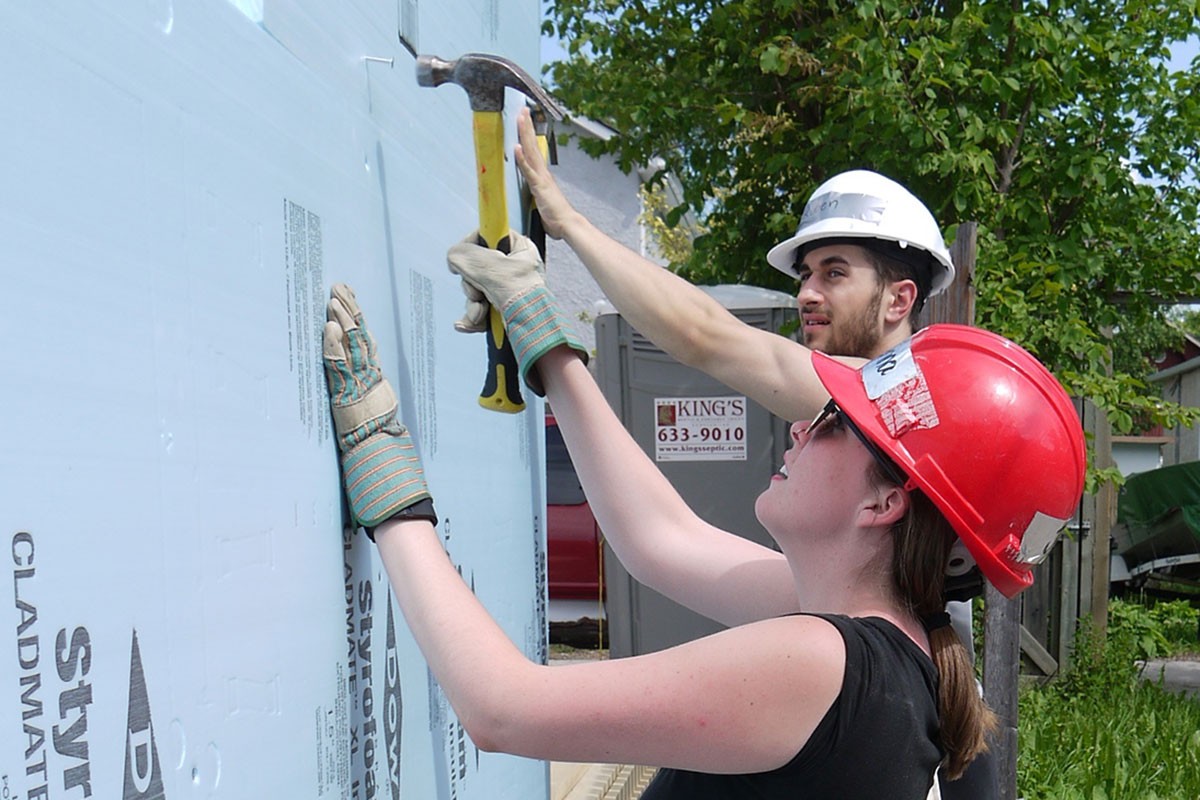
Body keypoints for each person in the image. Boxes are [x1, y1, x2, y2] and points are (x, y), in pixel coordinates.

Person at [321, 248, 1085, 797]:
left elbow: (502, 709)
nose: (797, 431)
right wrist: (549, 347)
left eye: (830, 425)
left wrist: (388, 481)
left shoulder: (826, 662)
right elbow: (660, 541)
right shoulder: (892, 650)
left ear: (884, 503)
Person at [507, 107, 996, 794]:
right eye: (806, 275)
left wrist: (567, 221)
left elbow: (708, 335)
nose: (807, 295)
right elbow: (661, 539)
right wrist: (549, 349)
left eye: (834, 273)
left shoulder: (886, 405)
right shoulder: (873, 594)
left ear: (899, 298)